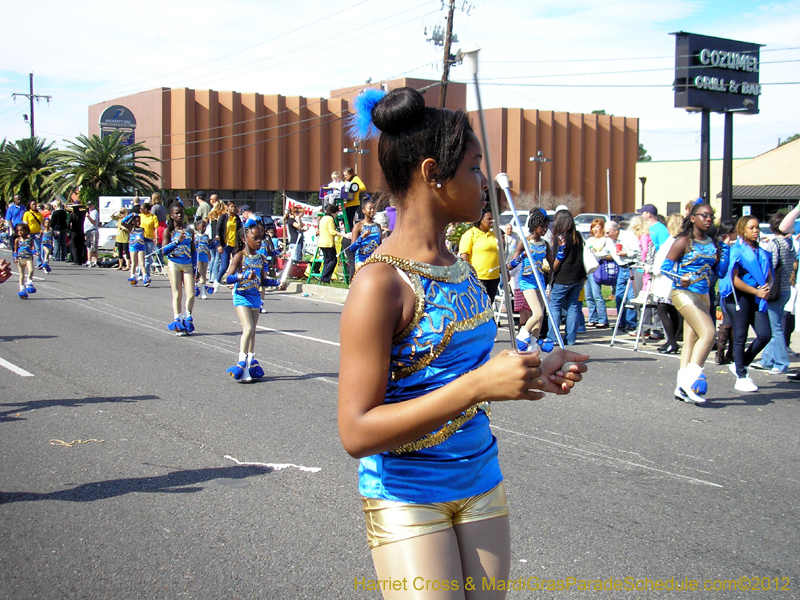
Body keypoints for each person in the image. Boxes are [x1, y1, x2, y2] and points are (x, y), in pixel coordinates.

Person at [337, 86, 589, 600]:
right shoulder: (379, 285)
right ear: (433, 173)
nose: (485, 184)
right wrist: (479, 385)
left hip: (481, 478)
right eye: (475, 169)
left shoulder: (464, 269)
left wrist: (534, 371)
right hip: (407, 493)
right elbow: (356, 432)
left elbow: (467, 375)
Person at [660, 203, 730, 403]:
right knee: (708, 334)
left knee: (691, 340)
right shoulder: (683, 241)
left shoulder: (713, 243)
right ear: (693, 218)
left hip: (704, 295)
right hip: (683, 293)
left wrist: (724, 252)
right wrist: (678, 278)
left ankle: (681, 387)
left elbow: (721, 273)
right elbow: (665, 267)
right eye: (704, 215)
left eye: (711, 216)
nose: (709, 219)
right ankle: (693, 381)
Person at [223, 220, 286, 381]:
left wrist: (277, 283)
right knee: (248, 329)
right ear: (245, 239)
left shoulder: (262, 258)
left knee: (253, 332)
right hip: (241, 296)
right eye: (256, 238)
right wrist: (242, 276)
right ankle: (241, 362)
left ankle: (251, 363)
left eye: (261, 238)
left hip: (255, 297)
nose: (259, 241)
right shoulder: (239, 256)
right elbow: (227, 278)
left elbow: (263, 281)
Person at [721, 215, 772, 393]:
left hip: (757, 298)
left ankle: (740, 364)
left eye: (757, 227)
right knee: (741, 335)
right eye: (751, 228)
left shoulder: (762, 252)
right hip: (739, 297)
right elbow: (734, 279)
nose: (756, 231)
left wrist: (768, 287)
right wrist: (756, 291)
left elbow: (769, 276)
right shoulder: (737, 250)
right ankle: (741, 376)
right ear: (743, 230)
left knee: (765, 335)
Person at [751, 211, 798, 375]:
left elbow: (771, 265)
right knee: (774, 324)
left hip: (775, 289)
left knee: (775, 327)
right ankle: (767, 359)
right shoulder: (790, 243)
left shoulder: (775, 244)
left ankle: (781, 362)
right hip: (786, 288)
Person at [508, 209, 555, 352]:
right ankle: (522, 336)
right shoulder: (524, 242)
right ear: (534, 225)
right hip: (526, 280)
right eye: (542, 226)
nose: (545, 229)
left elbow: (553, 266)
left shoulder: (545, 244)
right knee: (537, 313)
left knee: (540, 318)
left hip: (540, 281)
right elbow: (510, 265)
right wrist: (521, 257)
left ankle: (533, 344)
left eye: (546, 226)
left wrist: (561, 252)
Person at [548, 209, 588, 346]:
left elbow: (555, 263)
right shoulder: (577, 235)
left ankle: (553, 337)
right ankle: (570, 338)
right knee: (573, 306)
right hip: (578, 276)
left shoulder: (560, 238)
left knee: (555, 306)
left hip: (563, 277)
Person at [649, 214, 685, 354]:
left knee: (663, 310)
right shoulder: (681, 241)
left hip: (665, 280)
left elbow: (660, 265)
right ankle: (671, 340)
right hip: (673, 280)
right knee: (671, 310)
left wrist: (652, 269)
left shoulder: (671, 242)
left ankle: (672, 342)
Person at [162, 202, 197, 335]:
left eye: (181, 213)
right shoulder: (168, 231)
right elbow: (164, 251)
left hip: (187, 264)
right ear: (171, 215)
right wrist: (177, 241)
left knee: (191, 294)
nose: (179, 215)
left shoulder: (189, 230)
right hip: (174, 264)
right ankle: (178, 319)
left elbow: (193, 250)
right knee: (177, 294)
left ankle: (187, 316)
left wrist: (195, 267)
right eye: (176, 213)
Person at [459, 207, 501, 302]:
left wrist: (504, 270)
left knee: (489, 305)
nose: (492, 221)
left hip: (494, 278)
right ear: (480, 220)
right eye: (489, 219)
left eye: (492, 219)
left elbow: (498, 254)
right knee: (479, 305)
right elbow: (464, 256)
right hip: (478, 278)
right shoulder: (470, 234)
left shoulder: (493, 235)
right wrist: (469, 274)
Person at [606, 220, 638, 332]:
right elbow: (605, 252)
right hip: (621, 268)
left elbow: (637, 251)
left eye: (608, 232)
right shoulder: (609, 240)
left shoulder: (628, 237)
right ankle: (621, 321)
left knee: (631, 297)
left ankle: (631, 323)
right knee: (619, 296)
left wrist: (626, 253)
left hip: (632, 267)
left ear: (615, 230)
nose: (607, 235)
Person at [583, 217, 613, 328]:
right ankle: (592, 318)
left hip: (598, 269)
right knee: (588, 295)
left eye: (597, 227)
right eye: (593, 227)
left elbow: (608, 254)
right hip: (588, 269)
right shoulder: (590, 240)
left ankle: (603, 319)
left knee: (597, 295)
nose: (595, 229)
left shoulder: (605, 240)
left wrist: (596, 253)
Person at [214, 201, 242, 290]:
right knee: (225, 265)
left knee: (237, 265)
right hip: (225, 245)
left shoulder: (237, 218)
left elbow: (240, 231)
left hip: (235, 245)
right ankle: (217, 281)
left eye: (234, 207)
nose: (233, 209)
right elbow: (218, 230)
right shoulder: (223, 217)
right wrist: (219, 245)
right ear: (228, 208)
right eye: (231, 207)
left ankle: (235, 284)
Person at [318, 203, 348, 283]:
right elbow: (332, 231)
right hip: (328, 243)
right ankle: (324, 278)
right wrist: (344, 235)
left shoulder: (323, 218)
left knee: (327, 261)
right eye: (336, 213)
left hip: (322, 242)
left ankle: (324, 278)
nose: (336, 215)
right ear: (333, 212)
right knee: (333, 261)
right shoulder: (330, 219)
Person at [349, 199, 382, 269]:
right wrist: (362, 237)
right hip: (361, 261)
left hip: (374, 261)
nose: (372, 210)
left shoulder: (377, 226)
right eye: (370, 208)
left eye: (374, 208)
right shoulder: (358, 226)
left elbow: (380, 245)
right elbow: (352, 248)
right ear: (363, 210)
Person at [13, 223, 36, 299]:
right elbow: (15, 250)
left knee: (31, 271)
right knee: (21, 275)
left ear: (26, 231)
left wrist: (34, 252)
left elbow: (32, 247)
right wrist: (15, 258)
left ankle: (29, 282)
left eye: (22, 230)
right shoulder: (17, 240)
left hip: (28, 258)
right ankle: (22, 289)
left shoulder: (30, 240)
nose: (20, 232)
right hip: (20, 258)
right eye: (18, 231)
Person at [206, 196, 225, 292]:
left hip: (211, 238)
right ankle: (214, 277)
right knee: (217, 259)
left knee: (212, 258)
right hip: (218, 239)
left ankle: (210, 277)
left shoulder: (212, 215)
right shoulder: (221, 217)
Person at [122, 213, 147, 286]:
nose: (138, 223)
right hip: (133, 247)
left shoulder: (142, 229)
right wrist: (131, 215)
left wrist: (151, 240)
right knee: (134, 263)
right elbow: (123, 222)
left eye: (139, 221)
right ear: (133, 222)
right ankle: (132, 277)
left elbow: (143, 237)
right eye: (136, 221)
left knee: (142, 263)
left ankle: (145, 277)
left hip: (141, 247)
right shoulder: (131, 228)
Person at [194, 218, 214, 299]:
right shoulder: (195, 236)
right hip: (197, 256)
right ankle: (195, 286)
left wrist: (214, 242)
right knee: (198, 272)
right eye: (202, 226)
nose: (204, 228)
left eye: (205, 227)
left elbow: (209, 246)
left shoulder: (206, 237)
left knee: (204, 273)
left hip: (204, 257)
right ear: (197, 227)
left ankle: (203, 291)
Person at [139, 203, 158, 286]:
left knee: (148, 258)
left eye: (142, 208)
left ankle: (146, 275)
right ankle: (141, 274)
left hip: (149, 239)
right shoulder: (139, 216)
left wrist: (156, 238)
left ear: (146, 209)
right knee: (141, 257)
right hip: (141, 239)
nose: (140, 209)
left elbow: (156, 228)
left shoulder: (153, 217)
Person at [23, 200, 45, 269]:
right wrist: (26, 233)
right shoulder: (27, 213)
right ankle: (29, 262)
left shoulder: (39, 214)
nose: (34, 206)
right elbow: (25, 224)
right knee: (29, 248)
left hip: (37, 233)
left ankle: (39, 263)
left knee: (38, 248)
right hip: (29, 233)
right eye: (32, 204)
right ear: (30, 205)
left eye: (35, 204)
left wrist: (42, 231)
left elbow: (42, 224)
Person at [83, 200, 99, 267]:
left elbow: (94, 222)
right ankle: (95, 261)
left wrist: (88, 217)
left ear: (93, 205)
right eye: (88, 205)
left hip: (92, 231)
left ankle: (89, 261)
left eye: (90, 205)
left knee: (91, 247)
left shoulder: (94, 212)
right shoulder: (90, 212)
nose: (89, 207)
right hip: (88, 232)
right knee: (92, 247)